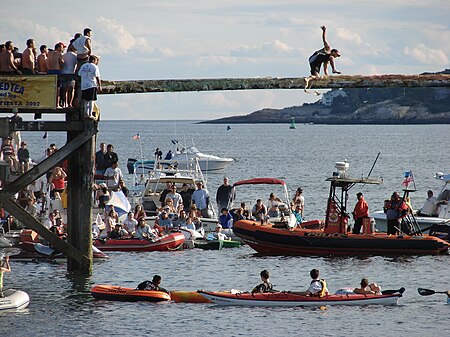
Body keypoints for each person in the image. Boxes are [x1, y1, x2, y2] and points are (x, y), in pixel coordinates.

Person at [304, 26, 341, 92]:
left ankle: (308, 79)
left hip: (313, 62)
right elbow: (324, 39)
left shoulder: (327, 59)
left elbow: (325, 68)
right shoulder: (328, 49)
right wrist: (324, 31)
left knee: (317, 77)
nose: (336, 57)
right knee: (331, 57)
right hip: (316, 56)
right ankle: (334, 69)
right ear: (334, 52)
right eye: (337, 55)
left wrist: (327, 77)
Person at [78, 54, 101, 119]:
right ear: (93, 60)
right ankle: (90, 114)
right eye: (96, 60)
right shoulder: (95, 67)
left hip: (84, 85)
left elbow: (79, 74)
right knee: (92, 100)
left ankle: (86, 113)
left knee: (86, 100)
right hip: (92, 85)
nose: (97, 62)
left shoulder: (83, 66)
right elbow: (97, 77)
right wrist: (99, 85)